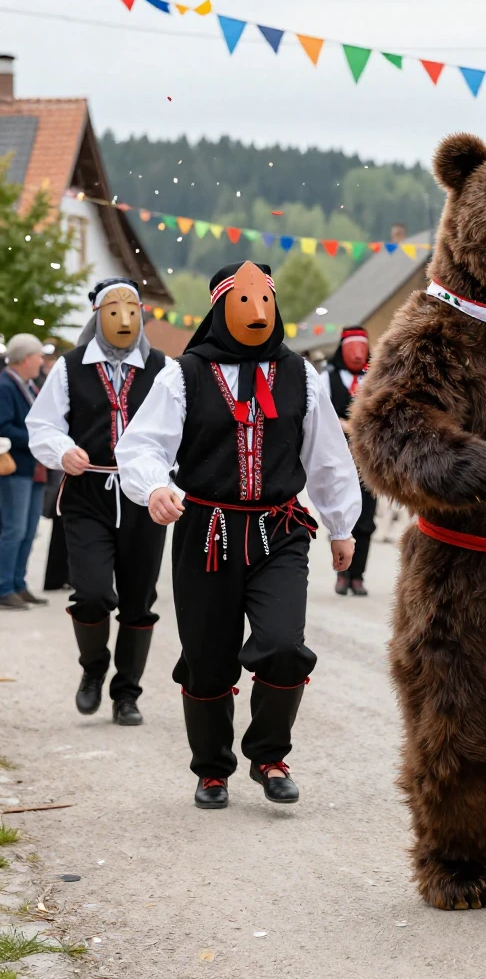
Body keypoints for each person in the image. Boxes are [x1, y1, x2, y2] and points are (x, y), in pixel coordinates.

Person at [116, 261, 362, 809]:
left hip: (280, 530)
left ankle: (269, 756)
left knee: (282, 644)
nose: (257, 313)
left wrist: (342, 524)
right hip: (207, 530)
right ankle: (211, 769)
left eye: (265, 303)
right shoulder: (184, 375)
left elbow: (328, 456)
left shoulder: (300, 375)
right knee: (208, 657)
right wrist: (155, 487)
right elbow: (140, 446)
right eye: (245, 303)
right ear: (221, 310)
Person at [28, 278, 168, 725]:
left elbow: (181, 430)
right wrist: (62, 450)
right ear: (97, 314)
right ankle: (93, 669)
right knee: (90, 594)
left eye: (132, 306)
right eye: (113, 306)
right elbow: (42, 425)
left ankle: (127, 693)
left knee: (138, 599)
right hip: (89, 491)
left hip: (144, 496)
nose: (124, 315)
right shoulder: (70, 367)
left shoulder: (163, 368)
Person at [321, 327, 376, 596]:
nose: (358, 354)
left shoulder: (375, 377)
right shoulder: (326, 378)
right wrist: (341, 425)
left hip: (367, 461)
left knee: (366, 520)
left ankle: (359, 576)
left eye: (362, 348)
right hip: (338, 460)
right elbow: (318, 415)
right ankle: (342, 574)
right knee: (341, 517)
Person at [0, 334, 47, 611]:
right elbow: (3, 428)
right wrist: (37, 437)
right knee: (13, 529)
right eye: (39, 356)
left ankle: (18, 583)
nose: (41, 362)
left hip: (32, 469)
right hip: (15, 470)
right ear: (26, 358)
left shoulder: (28, 385)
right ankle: (4, 586)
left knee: (29, 530)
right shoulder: (6, 386)